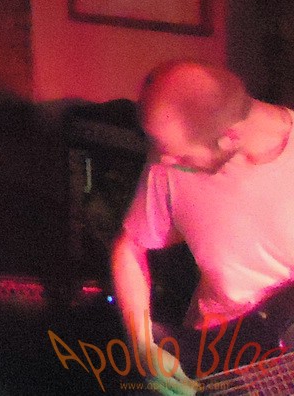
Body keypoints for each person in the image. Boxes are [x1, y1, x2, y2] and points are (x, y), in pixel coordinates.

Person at [111, 60, 294, 395]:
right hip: (211, 356)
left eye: (180, 157)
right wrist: (143, 345)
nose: (163, 161)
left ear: (229, 138)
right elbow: (131, 245)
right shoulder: (168, 161)